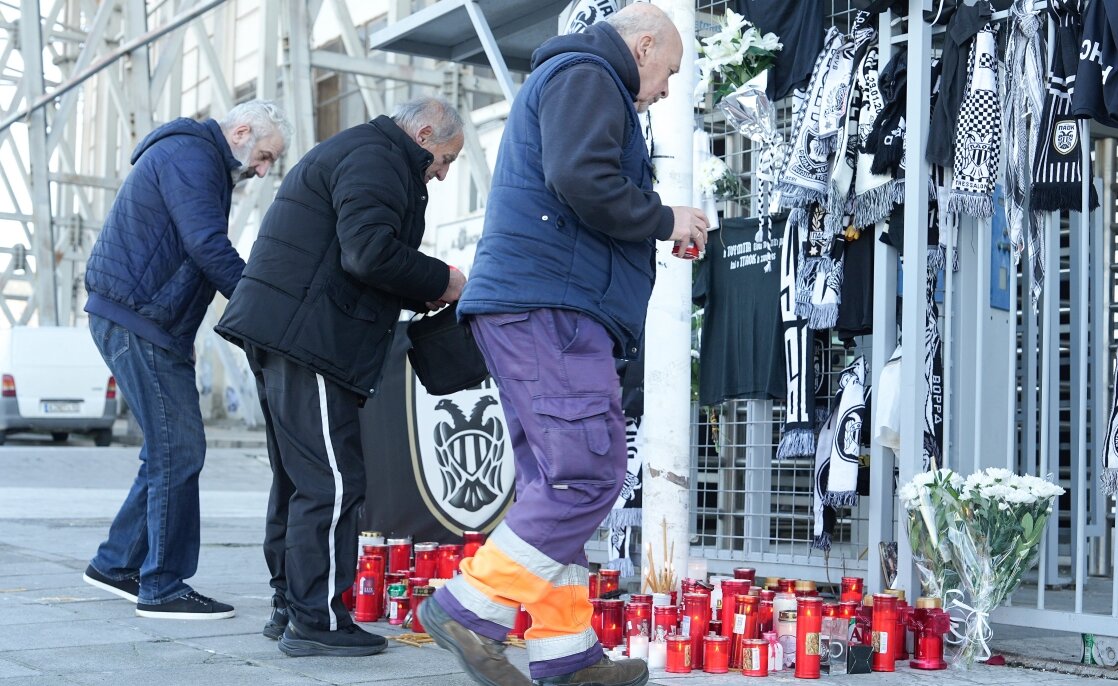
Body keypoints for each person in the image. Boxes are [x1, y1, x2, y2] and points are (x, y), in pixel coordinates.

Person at [418, 5, 708, 686]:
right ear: (644, 46)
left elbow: (578, 179)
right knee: (586, 473)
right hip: (552, 309)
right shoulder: (589, 75)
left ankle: (564, 651)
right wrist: (665, 217)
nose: (666, 89)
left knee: (557, 482)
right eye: (668, 72)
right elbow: (582, 178)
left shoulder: (577, 77)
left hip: (536, 306)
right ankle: (469, 608)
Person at [214, 96, 467, 658]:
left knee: (299, 481)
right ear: (424, 134)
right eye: (445, 159)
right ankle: (318, 620)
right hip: (311, 338)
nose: (444, 174)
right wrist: (444, 280)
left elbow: (354, 251)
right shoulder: (377, 158)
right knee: (331, 483)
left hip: (290, 332)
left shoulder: (364, 152)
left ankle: (291, 607)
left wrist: (419, 289)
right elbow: (368, 253)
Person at [81, 99, 291, 619]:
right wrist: (262, 311)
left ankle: (115, 563)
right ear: (241, 132)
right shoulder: (192, 156)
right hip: (138, 319)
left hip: (147, 321)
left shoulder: (196, 158)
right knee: (181, 448)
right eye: (265, 156)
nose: (263, 170)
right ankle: (162, 586)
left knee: (165, 450)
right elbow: (207, 246)